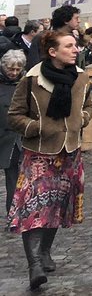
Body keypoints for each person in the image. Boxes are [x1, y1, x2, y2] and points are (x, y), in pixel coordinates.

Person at [6, 29, 92, 290]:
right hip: (39, 156)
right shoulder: (32, 79)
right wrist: (36, 127)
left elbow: (88, 106)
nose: (76, 49)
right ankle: (34, 264)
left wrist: (83, 120)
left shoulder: (81, 78)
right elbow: (14, 115)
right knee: (33, 209)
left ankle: (44, 250)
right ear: (53, 52)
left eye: (75, 45)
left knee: (56, 207)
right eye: (69, 46)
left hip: (69, 153)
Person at [2, 49, 28, 215]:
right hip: (5, 138)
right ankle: (13, 213)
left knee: (25, 175)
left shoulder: (26, 83)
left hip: (24, 136)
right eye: (10, 69)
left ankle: (25, 211)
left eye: (17, 69)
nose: (13, 73)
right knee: (11, 176)